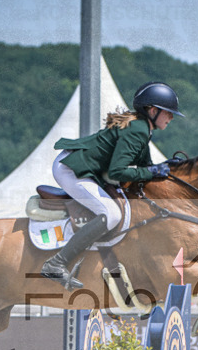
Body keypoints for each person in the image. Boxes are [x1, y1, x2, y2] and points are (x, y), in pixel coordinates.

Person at [40, 81, 185, 289]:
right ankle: (56, 263)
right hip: (71, 169)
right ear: (153, 110)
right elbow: (118, 171)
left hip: (81, 165)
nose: (171, 118)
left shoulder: (143, 127)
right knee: (111, 214)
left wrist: (165, 168)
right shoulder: (139, 130)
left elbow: (146, 166)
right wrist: (152, 171)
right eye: (168, 113)